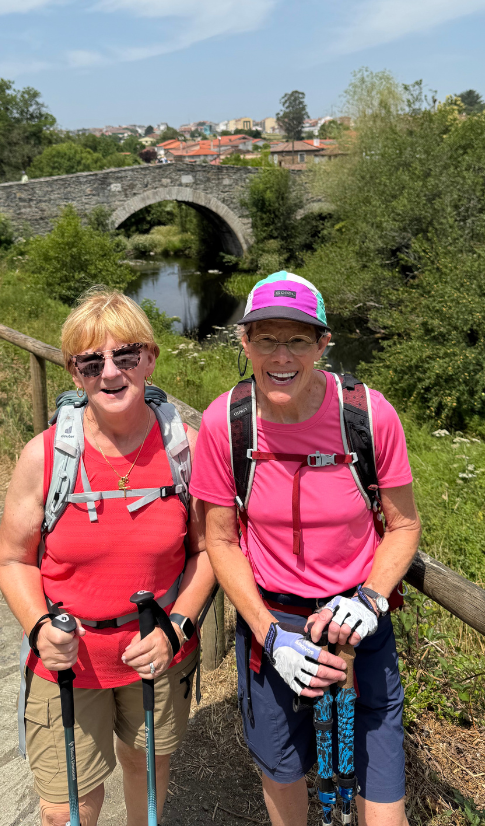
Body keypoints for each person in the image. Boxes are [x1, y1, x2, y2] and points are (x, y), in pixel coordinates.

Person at [194, 273, 420, 826]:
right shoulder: (226, 423)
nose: (281, 356)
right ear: (245, 342)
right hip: (271, 626)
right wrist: (271, 635)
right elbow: (220, 540)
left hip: (359, 626)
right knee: (284, 780)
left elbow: (404, 525)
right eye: (266, 338)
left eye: (297, 339)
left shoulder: (367, 416)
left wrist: (370, 598)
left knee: (382, 802)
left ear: (323, 344)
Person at [0, 289, 216, 826]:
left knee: (145, 768)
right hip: (68, 660)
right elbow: (12, 558)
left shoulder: (186, 449)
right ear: (75, 373)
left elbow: (209, 550)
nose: (110, 373)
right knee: (64, 808)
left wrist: (176, 629)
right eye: (91, 362)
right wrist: (38, 628)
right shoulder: (44, 456)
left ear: (150, 358)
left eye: (126, 356)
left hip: (157, 652)